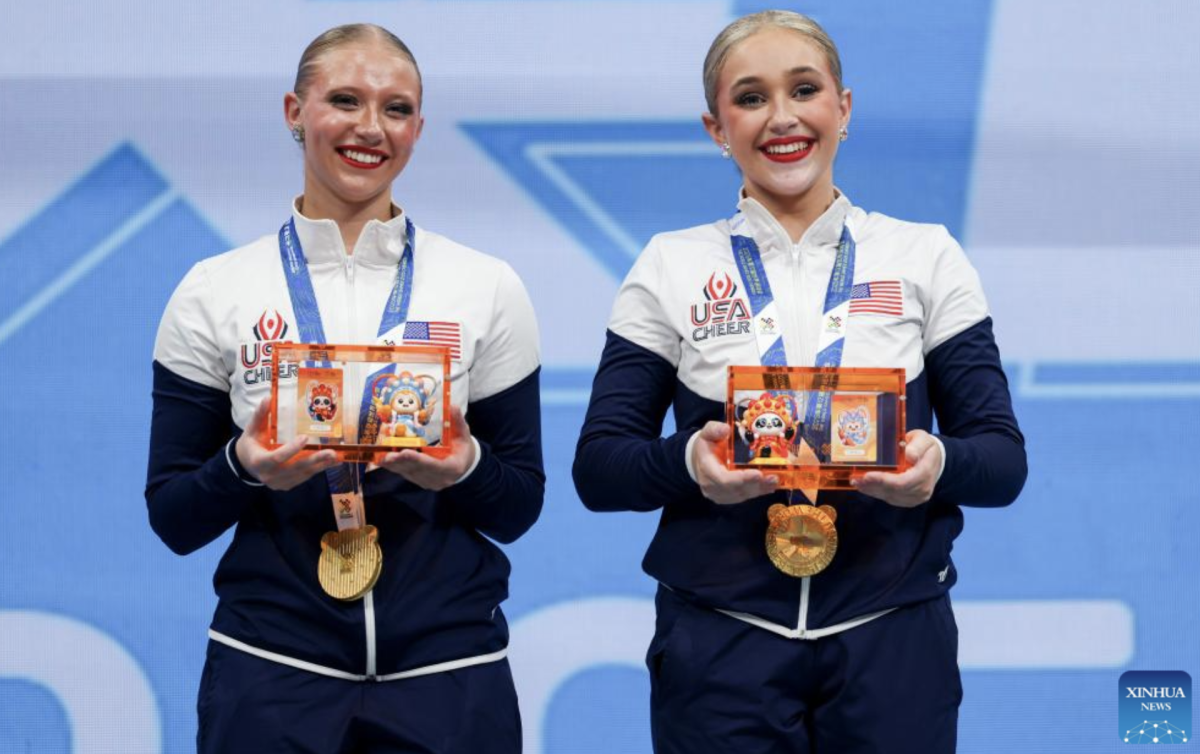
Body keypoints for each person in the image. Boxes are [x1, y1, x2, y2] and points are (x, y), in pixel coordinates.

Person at [573, 10, 1026, 754]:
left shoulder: (925, 256)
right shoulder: (670, 264)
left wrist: (936, 467)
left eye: (804, 89)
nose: (781, 117)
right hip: (720, 645)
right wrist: (691, 464)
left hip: (892, 637)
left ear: (843, 109)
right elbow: (600, 467)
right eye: (749, 98)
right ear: (716, 127)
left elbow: (1003, 460)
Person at [146, 23, 543, 753]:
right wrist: (244, 466)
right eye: (345, 100)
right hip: (271, 670)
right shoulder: (214, 291)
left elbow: (519, 505)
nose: (371, 128)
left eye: (396, 109)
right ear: (294, 111)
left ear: (418, 128)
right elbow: (173, 517)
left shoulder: (486, 286)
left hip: (450, 669)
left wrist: (466, 469)